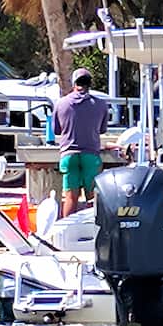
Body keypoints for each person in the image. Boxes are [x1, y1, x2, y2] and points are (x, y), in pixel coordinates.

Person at [52, 67, 109, 218]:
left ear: (74, 83)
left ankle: (67, 228)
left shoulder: (61, 103)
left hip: (68, 156)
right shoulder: (101, 104)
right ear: (90, 84)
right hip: (91, 156)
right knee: (92, 197)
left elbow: (56, 130)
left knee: (71, 198)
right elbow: (102, 130)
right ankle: (93, 227)